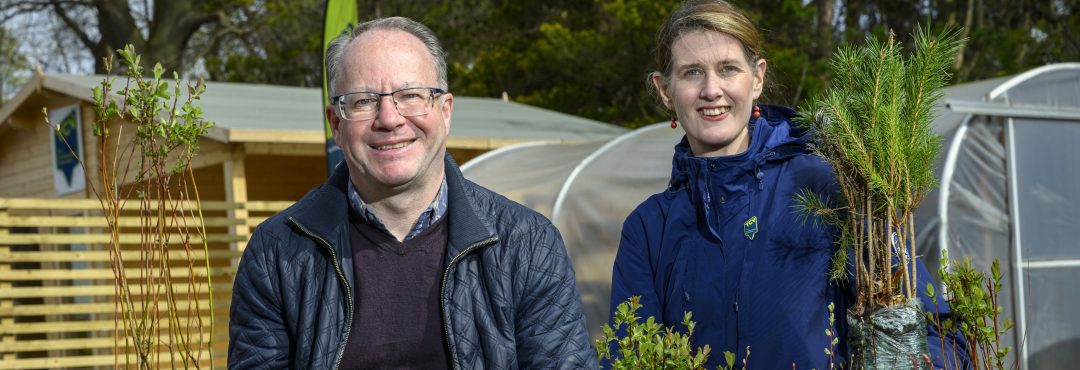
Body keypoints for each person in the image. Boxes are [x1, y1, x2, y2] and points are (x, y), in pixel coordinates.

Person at [607, 1, 970, 369]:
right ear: (665, 89)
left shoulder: (830, 190)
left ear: (758, 78)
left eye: (728, 69)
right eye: (691, 73)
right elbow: (628, 358)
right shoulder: (650, 229)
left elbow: (938, 337)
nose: (711, 89)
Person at [228, 16, 595, 369]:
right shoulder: (277, 253)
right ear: (336, 125)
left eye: (411, 95)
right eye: (363, 101)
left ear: (446, 111)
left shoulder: (528, 244)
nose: (389, 118)